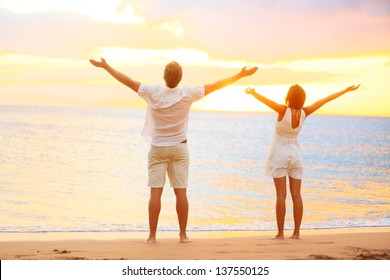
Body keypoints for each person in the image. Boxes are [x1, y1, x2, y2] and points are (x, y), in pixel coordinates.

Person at [90, 58, 258, 243]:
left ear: (164, 77)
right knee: (181, 192)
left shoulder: (152, 92)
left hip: (158, 149)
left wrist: (106, 66)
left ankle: (152, 237)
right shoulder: (187, 93)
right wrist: (240, 75)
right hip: (180, 148)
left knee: (155, 192)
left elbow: (127, 81)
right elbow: (216, 86)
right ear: (180, 78)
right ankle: (183, 235)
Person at [245, 83, 360, 239]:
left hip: (280, 153)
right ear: (302, 99)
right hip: (296, 154)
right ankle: (297, 233)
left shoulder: (282, 110)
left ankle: (280, 234)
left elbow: (267, 101)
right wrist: (346, 90)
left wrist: (254, 93)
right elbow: (325, 100)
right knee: (297, 196)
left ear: (288, 98)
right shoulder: (305, 112)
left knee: (281, 196)